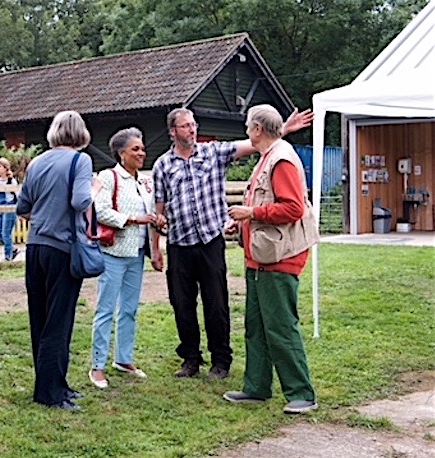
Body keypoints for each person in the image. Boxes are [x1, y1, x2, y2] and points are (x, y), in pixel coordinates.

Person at [151, 107, 313, 380]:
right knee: (182, 305)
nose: (192, 130)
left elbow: (255, 142)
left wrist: (283, 127)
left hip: (210, 242)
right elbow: (159, 209)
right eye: (185, 126)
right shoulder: (162, 166)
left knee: (216, 304)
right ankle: (190, 359)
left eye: (193, 124)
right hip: (179, 244)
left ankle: (220, 361)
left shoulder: (213, 152)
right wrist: (156, 246)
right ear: (172, 132)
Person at [223, 105, 319, 414]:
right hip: (260, 259)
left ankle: (302, 393)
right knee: (257, 326)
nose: (247, 130)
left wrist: (250, 213)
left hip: (279, 259)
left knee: (280, 327)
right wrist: (242, 223)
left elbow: (292, 209)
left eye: (248, 125)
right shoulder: (268, 157)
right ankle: (256, 388)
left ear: (257, 129)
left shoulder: (281, 160)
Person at [16, 110, 94, 411]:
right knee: (59, 321)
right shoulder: (80, 161)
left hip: (35, 247)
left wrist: (44, 220)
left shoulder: (37, 162)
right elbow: (79, 201)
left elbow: (23, 207)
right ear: (81, 134)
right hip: (62, 249)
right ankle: (50, 393)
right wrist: (95, 190)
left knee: (41, 318)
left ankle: (55, 383)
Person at [88, 128, 165, 389]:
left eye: (142, 149)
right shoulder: (108, 177)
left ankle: (124, 358)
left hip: (137, 254)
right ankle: (97, 366)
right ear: (121, 153)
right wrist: (132, 220)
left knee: (130, 310)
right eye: (135, 149)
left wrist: (156, 245)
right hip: (113, 253)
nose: (141, 153)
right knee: (106, 310)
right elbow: (99, 211)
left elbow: (151, 214)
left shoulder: (144, 182)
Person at [0, 157, 20, 261]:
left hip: (10, 207)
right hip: (1, 207)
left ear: (6, 168)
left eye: (0, 166)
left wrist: (21, 209)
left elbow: (18, 195)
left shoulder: (11, 181)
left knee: (6, 233)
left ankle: (8, 256)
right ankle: (13, 248)